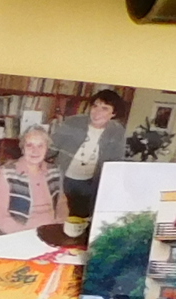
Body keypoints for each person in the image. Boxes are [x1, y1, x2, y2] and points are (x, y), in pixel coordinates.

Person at [50, 88, 127, 219]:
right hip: (62, 178)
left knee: (80, 219)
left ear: (113, 113)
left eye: (104, 108)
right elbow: (51, 147)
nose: (97, 112)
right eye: (95, 106)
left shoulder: (117, 131)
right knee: (57, 216)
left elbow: (116, 162)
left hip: (89, 183)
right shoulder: (73, 122)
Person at [0, 124, 66, 234]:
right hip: (16, 232)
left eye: (40, 146)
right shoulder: (7, 173)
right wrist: (23, 234)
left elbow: (61, 204)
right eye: (29, 145)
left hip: (49, 232)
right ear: (23, 149)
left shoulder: (55, 171)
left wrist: (59, 226)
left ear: (47, 148)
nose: (35, 151)